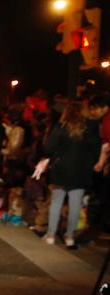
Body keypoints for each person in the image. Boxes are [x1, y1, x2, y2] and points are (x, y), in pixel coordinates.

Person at [34, 101, 102, 248]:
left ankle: (51, 235)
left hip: (61, 170)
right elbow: (96, 150)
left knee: (56, 202)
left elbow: (49, 148)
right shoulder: (91, 128)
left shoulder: (61, 127)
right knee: (75, 205)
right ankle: (70, 236)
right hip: (81, 172)